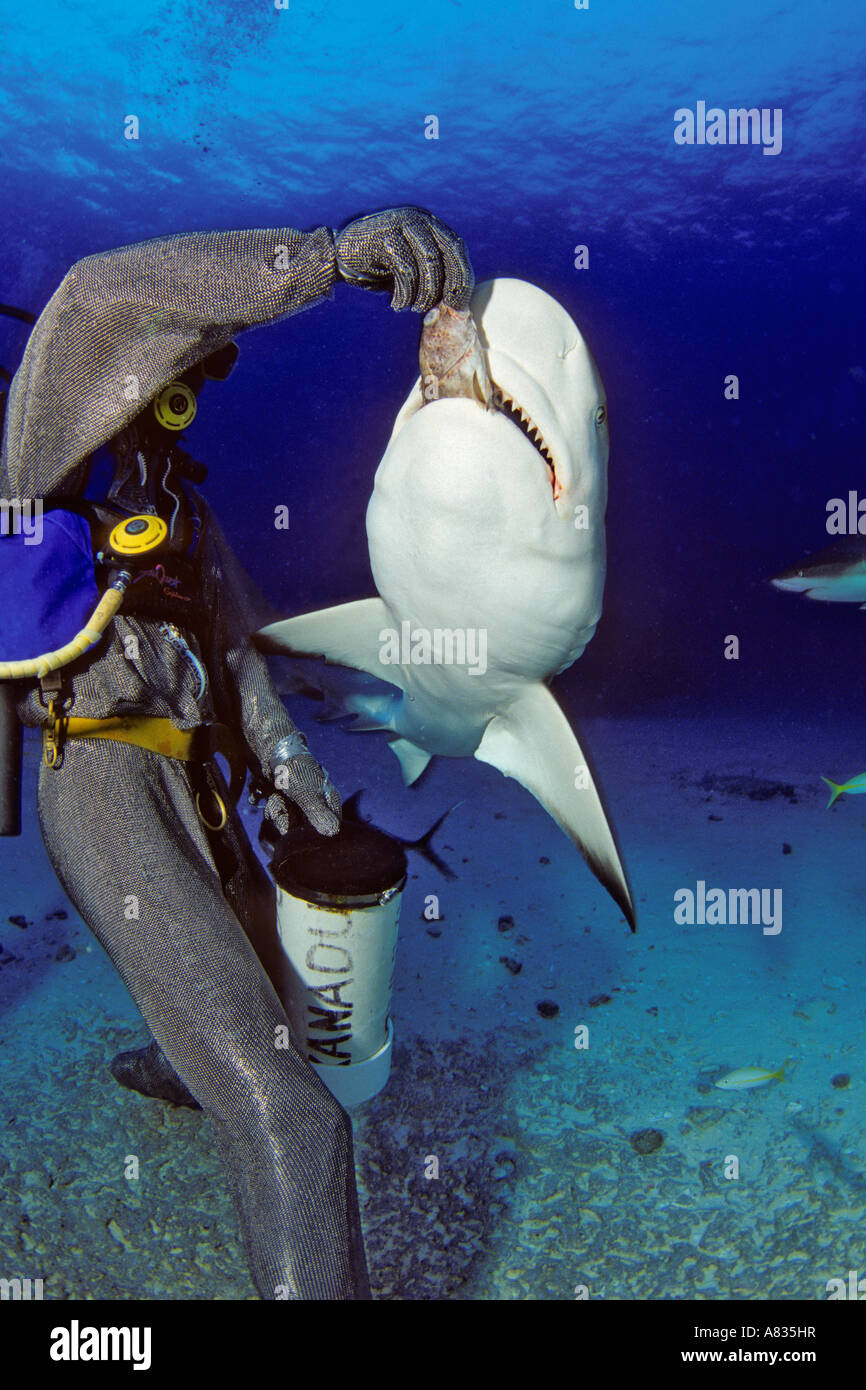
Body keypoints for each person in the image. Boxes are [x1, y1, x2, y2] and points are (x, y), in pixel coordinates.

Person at [0, 208, 474, 1300]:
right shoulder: (39, 465)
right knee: (291, 1107)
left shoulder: (186, 519)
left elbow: (242, 672)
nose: (182, 384)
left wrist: (292, 777)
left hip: (196, 789)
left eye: (200, 370)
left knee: (266, 1015)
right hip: (104, 781)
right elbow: (93, 292)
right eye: (181, 353)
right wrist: (322, 258)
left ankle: (180, 1059)